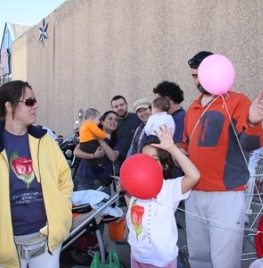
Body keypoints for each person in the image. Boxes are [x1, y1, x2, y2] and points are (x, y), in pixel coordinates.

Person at [0, 80, 73, 268]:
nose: (35, 105)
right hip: (4, 247)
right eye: (29, 102)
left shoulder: (46, 141)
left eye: (35, 101)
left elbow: (64, 180)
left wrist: (62, 214)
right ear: (8, 106)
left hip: (47, 242)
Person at [182, 51, 263, 267]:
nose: (197, 81)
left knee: (225, 260)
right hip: (193, 193)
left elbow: (250, 144)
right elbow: (185, 143)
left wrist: (252, 122)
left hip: (226, 195)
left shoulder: (238, 101)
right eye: (194, 76)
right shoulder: (193, 108)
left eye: (200, 75)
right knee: (198, 256)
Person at [119, 126, 200, 267]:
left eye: (155, 159)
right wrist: (125, 191)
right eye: (145, 158)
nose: (148, 164)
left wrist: (172, 148)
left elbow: (194, 176)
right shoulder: (137, 187)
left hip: (161, 261)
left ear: (165, 165)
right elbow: (133, 210)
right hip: (137, 256)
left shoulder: (168, 188)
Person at [73, 110, 121, 191]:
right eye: (110, 119)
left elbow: (113, 157)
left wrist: (100, 139)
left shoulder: (117, 140)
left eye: (116, 120)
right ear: (102, 122)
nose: (113, 121)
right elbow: (76, 152)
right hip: (84, 180)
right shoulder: (90, 132)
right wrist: (93, 156)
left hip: (103, 183)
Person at [111, 95, 141, 175]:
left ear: (126, 104)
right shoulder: (112, 124)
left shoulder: (137, 118)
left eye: (121, 105)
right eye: (116, 106)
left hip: (138, 163)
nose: (119, 108)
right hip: (119, 164)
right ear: (112, 109)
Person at [152, 81, 186, 146]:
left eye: (157, 100)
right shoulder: (171, 116)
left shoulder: (181, 118)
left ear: (167, 99)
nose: (156, 105)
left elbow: (178, 145)